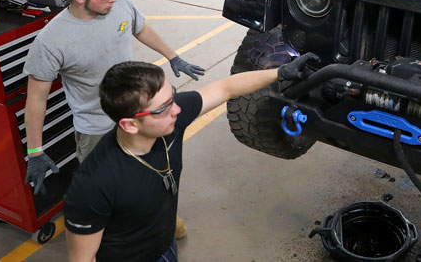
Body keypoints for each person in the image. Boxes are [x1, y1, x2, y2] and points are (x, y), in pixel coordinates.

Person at [64, 54, 317, 261]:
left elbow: (224, 88)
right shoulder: (94, 184)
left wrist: (280, 73)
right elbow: (83, 259)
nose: (176, 110)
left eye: (172, 96)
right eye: (164, 108)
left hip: (165, 246)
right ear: (130, 125)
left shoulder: (169, 121)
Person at [23, 0, 205, 191]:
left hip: (138, 113)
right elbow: (36, 100)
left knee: (149, 171)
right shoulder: (51, 41)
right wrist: (35, 152)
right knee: (104, 187)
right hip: (96, 127)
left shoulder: (121, 3)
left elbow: (140, 28)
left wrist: (173, 56)